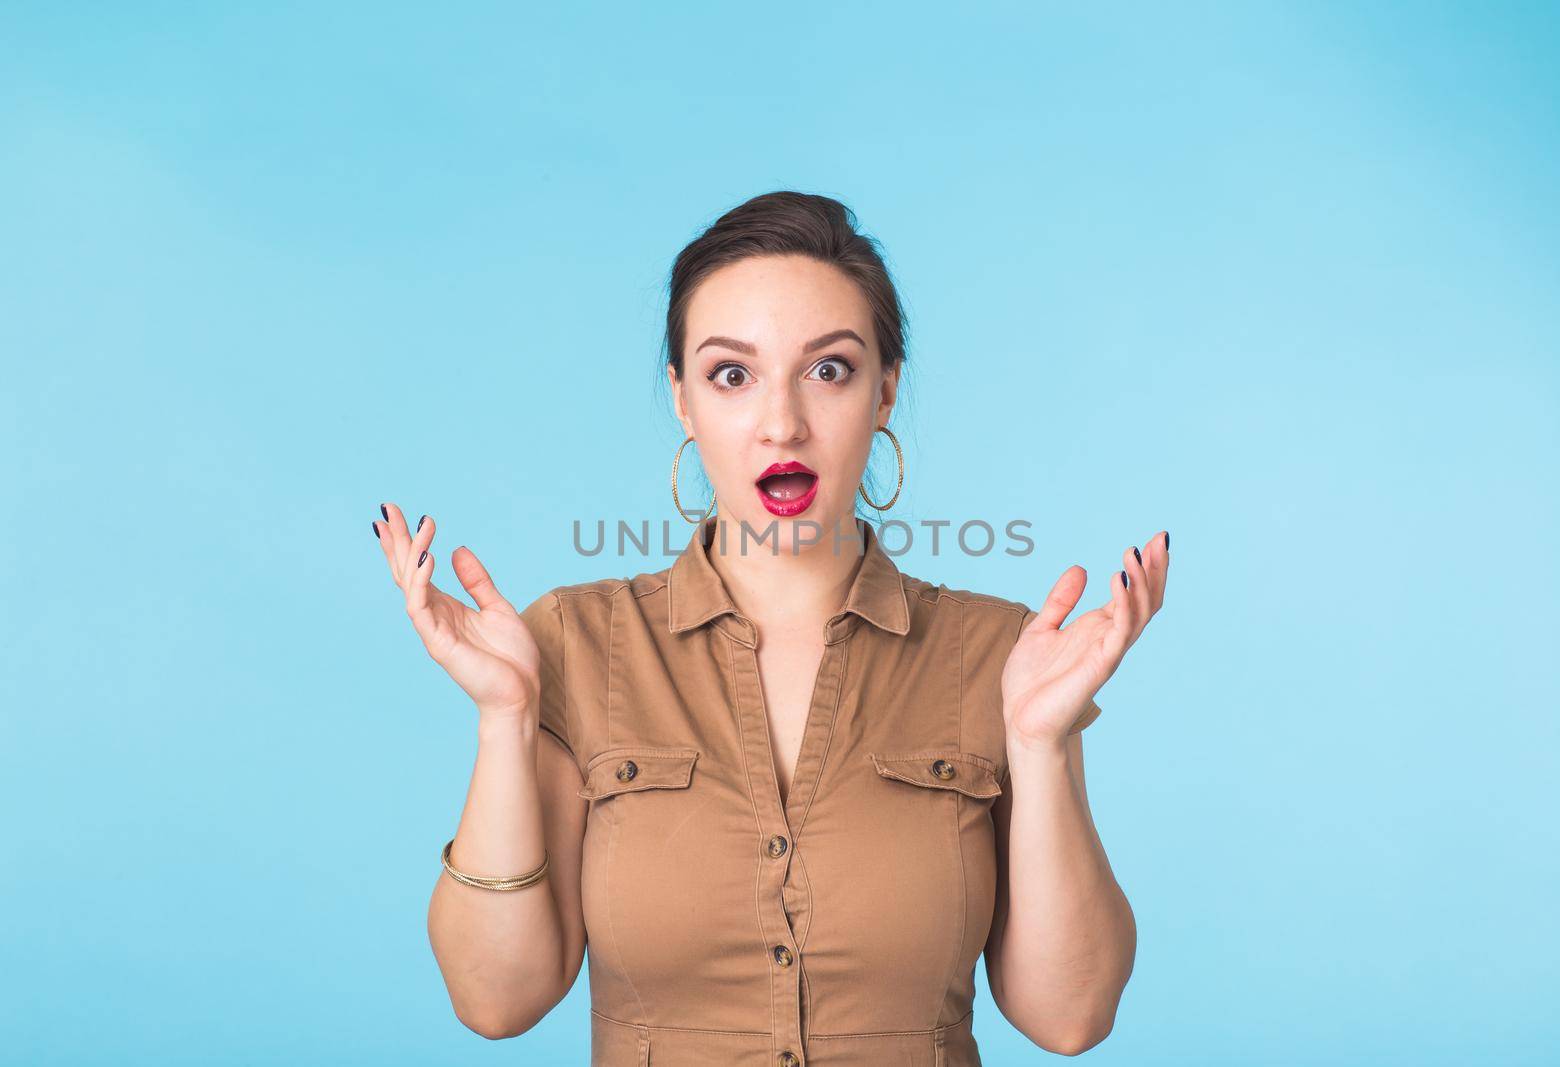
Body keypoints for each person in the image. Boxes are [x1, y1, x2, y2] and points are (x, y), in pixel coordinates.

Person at [374, 191, 1164, 1065]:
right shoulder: (573, 643)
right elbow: (496, 999)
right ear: (682, 400)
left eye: (828, 370)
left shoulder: (1002, 656)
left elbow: (1071, 1017)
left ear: (885, 391)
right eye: (732, 374)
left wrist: (1039, 745)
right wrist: (504, 719)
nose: (782, 423)